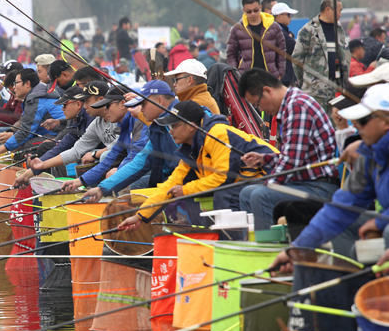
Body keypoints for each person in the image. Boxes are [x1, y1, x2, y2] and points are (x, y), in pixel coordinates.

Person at [270, 83, 389, 273]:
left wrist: (381, 222)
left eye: (363, 120)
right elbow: (341, 208)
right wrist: (298, 249)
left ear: (385, 122)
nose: (356, 125)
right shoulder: (370, 155)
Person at [118, 100, 279, 232]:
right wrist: (140, 216)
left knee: (223, 195)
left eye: (174, 126)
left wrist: (185, 190)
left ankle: (234, 244)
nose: (171, 131)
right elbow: (169, 185)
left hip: (272, 175)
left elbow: (222, 178)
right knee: (199, 196)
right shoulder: (190, 149)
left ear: (191, 126)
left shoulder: (217, 133)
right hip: (244, 183)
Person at [237, 69, 339, 230]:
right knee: (246, 193)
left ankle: (269, 249)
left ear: (267, 91)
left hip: (320, 186)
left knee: (259, 195)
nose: (261, 110)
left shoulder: (297, 106)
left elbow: (291, 162)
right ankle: (259, 242)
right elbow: (292, 156)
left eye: (257, 104)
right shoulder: (290, 105)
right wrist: (264, 159)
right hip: (304, 182)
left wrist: (268, 184)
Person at [61, 86, 149, 192]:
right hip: (141, 168)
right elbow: (109, 159)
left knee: (126, 185)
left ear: (122, 104)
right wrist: (79, 181)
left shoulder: (139, 123)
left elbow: (136, 157)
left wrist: (117, 174)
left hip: (157, 172)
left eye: (108, 106)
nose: (105, 110)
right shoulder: (126, 126)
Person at [26, 81, 118, 175]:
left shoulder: (118, 118)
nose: (84, 106)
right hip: (113, 162)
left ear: (101, 100)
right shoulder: (96, 123)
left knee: (103, 155)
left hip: (124, 162)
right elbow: (76, 150)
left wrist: (95, 154)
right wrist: (41, 164)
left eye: (87, 101)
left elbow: (121, 144)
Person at [0, 68, 65, 159]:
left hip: (59, 136)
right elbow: (27, 124)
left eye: (16, 83)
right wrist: (11, 133)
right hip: (50, 134)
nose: (14, 87)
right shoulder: (37, 95)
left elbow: (26, 132)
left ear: (27, 84)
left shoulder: (36, 99)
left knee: (25, 147)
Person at [292, 0, 348, 109]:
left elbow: (344, 56)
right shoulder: (309, 30)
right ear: (328, 9)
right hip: (315, 92)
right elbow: (296, 60)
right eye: (339, 10)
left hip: (336, 90)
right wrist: (307, 82)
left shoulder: (339, 30)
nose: (340, 14)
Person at [226, 0, 286, 79]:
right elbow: (230, 54)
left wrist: (280, 73)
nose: (253, 14)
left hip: (270, 76)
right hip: (246, 78)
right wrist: (235, 74)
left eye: (256, 10)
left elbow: (282, 51)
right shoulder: (237, 29)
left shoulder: (273, 27)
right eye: (249, 12)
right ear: (243, 10)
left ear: (260, 7)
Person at [272, 2, 299, 86]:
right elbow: (295, 48)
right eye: (288, 15)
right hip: (284, 78)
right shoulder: (279, 32)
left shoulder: (281, 31)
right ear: (279, 16)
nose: (290, 18)